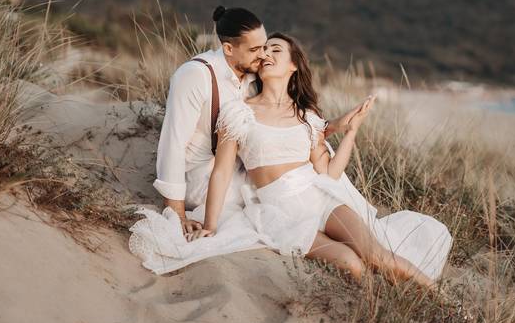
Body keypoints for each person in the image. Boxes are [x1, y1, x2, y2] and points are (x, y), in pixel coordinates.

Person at [191, 32, 452, 287]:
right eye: (264, 50)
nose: (267, 53)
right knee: (352, 264)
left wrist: (351, 132)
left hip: (321, 199)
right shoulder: (239, 111)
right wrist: (210, 226)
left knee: (377, 256)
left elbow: (328, 173)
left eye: (276, 49)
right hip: (281, 212)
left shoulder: (307, 117)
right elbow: (222, 172)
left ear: (293, 65)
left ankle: (447, 304)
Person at [129, 7, 368, 273]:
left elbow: (280, 127)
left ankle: (328, 216)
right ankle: (309, 224)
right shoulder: (195, 76)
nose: (263, 54)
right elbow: (172, 146)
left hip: (242, 168)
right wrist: (177, 213)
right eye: (256, 50)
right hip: (205, 178)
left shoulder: (252, 74)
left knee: (312, 162)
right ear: (229, 49)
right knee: (284, 197)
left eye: (266, 47)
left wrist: (333, 126)